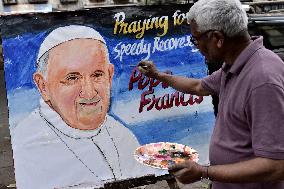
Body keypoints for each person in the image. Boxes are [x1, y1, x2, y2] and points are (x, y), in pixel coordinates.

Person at [138, 0, 284, 188]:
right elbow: (199, 87)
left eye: (196, 39)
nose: (196, 46)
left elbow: (276, 165)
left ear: (217, 38)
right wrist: (157, 75)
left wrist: (204, 172)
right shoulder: (236, 65)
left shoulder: (263, 79)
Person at [12, 25, 164, 189]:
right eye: (72, 78)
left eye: (97, 75)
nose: (89, 93)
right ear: (43, 86)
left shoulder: (121, 135)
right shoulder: (27, 145)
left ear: (110, 75)